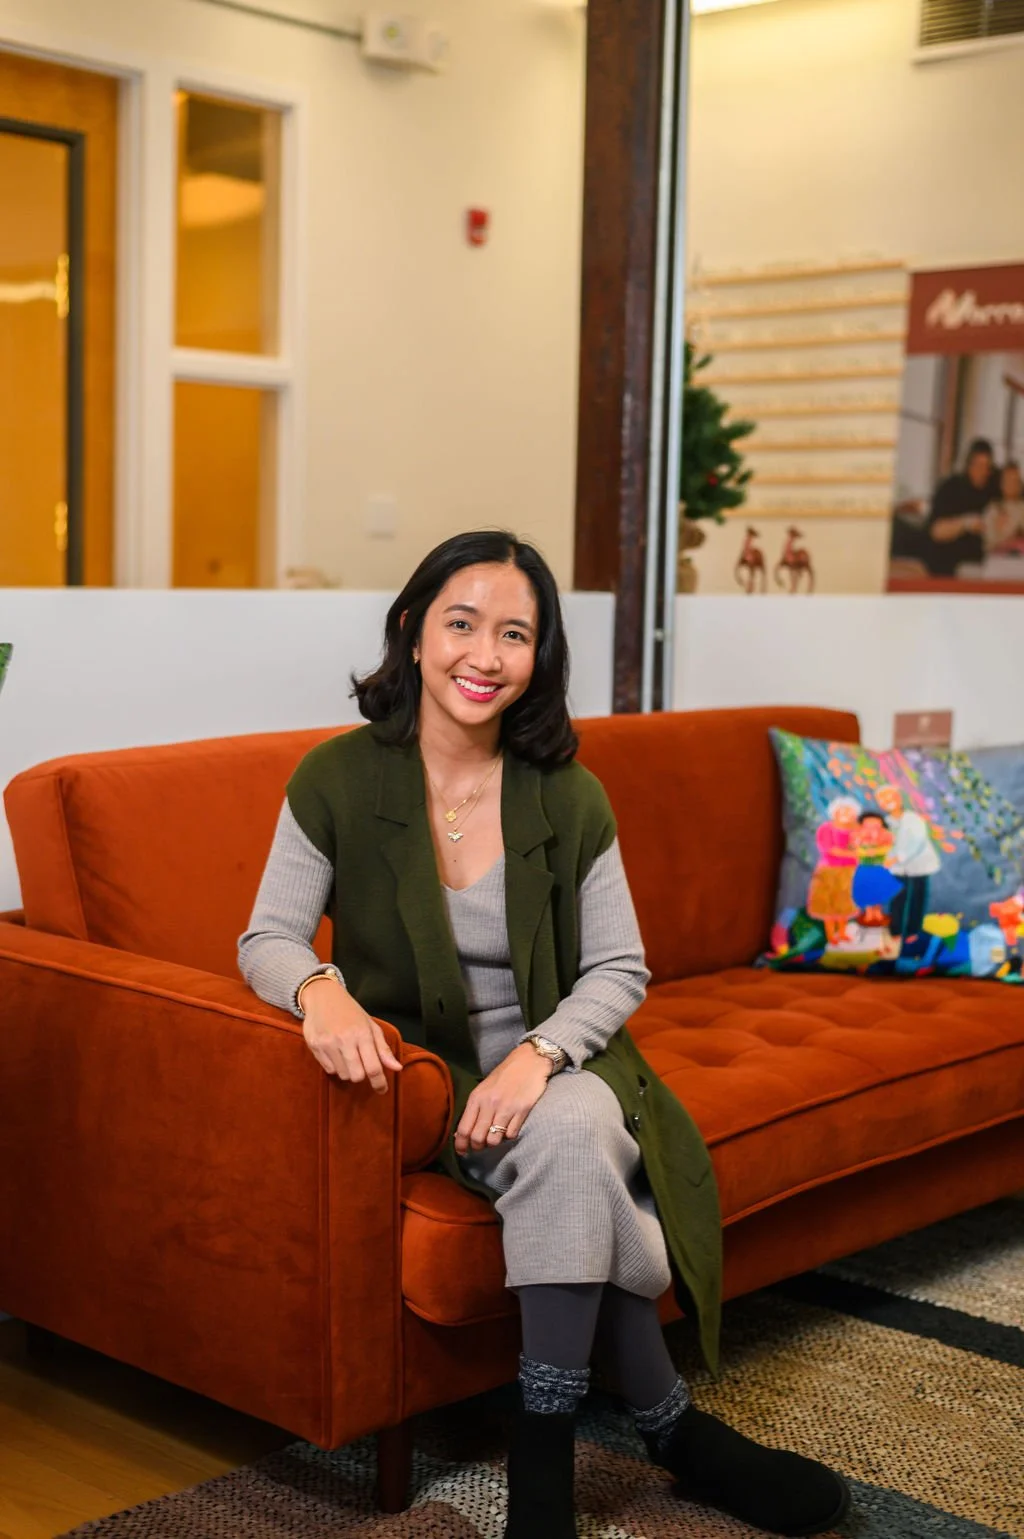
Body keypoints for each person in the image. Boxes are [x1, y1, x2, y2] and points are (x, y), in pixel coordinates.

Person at [238, 530, 849, 1539]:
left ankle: (542, 1486)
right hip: (427, 1085)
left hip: (567, 1061)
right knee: (579, 1153)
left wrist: (538, 1054)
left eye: (514, 634)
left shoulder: (567, 792)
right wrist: (320, 991)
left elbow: (619, 968)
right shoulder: (335, 778)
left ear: (539, 655)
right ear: (412, 631)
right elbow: (267, 935)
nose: (485, 655)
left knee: (568, 1129)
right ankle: (671, 1428)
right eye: (462, 624)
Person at [878, 784, 941, 945]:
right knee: (897, 897)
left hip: (919, 865)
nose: (888, 802)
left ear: (899, 799)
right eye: (883, 800)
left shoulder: (913, 819)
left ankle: (913, 930)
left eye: (891, 797)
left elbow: (916, 843)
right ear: (880, 804)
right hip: (898, 868)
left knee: (917, 898)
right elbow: (884, 843)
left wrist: (897, 858)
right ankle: (896, 930)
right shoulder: (885, 823)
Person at [923, 438, 995, 577]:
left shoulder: (991, 488)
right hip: (945, 565)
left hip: (980, 567)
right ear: (968, 465)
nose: (983, 471)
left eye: (988, 467)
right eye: (979, 465)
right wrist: (967, 523)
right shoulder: (950, 487)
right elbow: (936, 531)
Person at [806, 796, 860, 946]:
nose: (846, 814)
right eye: (842, 811)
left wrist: (858, 844)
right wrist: (856, 853)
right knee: (828, 905)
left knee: (845, 904)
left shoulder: (855, 830)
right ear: (834, 813)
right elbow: (830, 850)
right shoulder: (826, 828)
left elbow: (861, 845)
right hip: (828, 871)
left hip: (849, 871)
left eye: (849, 812)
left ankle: (842, 932)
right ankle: (831, 935)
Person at [985, 460, 1024, 553]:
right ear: (1001, 484)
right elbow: (988, 542)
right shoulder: (993, 508)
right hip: (998, 556)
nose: (1012, 485)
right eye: (1008, 480)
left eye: (1015, 481)